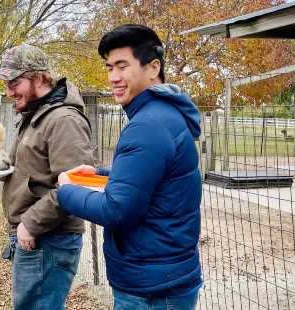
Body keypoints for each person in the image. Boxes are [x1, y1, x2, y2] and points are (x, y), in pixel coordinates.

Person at [56, 24, 203, 309]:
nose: (113, 77)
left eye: (122, 66)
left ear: (153, 67)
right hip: (165, 276)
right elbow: (152, 184)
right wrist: (99, 176)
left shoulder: (147, 125)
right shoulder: (163, 114)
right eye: (109, 68)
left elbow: (117, 211)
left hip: (152, 289)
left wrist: (65, 191)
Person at [0, 44, 93, 309]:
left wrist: (30, 224)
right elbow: (32, 167)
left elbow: (76, 185)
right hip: (35, 237)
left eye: (15, 83)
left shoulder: (63, 120)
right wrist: (3, 169)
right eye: (6, 84)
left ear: (38, 78)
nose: (8, 92)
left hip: (49, 239)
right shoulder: (35, 113)